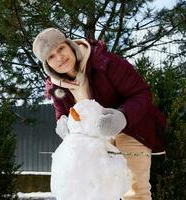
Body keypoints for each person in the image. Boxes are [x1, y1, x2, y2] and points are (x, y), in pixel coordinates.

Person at [32, 28, 166, 200]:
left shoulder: (105, 62)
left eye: (60, 49)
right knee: (101, 190)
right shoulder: (56, 86)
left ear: (70, 46)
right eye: (50, 56)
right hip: (95, 140)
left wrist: (122, 116)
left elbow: (141, 93)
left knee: (134, 190)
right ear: (47, 64)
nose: (59, 58)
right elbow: (62, 113)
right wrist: (63, 123)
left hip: (132, 129)